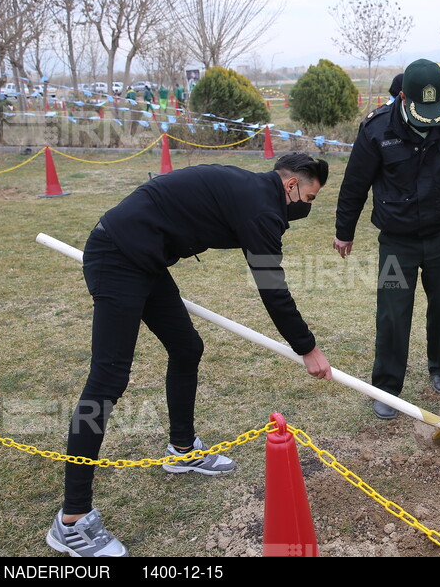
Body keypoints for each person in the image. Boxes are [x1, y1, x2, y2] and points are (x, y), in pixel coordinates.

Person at [46, 153, 332, 557]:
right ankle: (72, 521)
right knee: (108, 379)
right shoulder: (262, 210)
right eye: (310, 196)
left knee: (187, 347)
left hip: (145, 257)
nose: (307, 206)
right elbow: (273, 289)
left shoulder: (255, 192)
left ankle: (181, 451)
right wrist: (308, 348)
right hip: (117, 256)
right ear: (291, 186)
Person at [333, 59, 440, 419]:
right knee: (393, 313)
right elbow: (354, 185)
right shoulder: (377, 128)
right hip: (397, 241)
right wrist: (343, 231)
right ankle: (386, 386)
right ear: (402, 97)